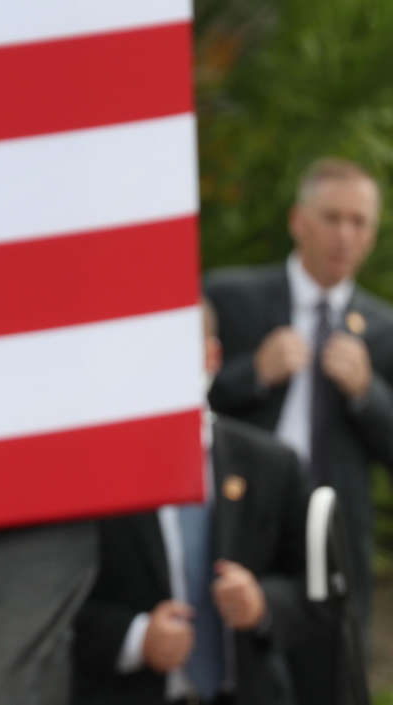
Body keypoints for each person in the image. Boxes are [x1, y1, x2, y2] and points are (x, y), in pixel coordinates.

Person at [205, 157, 393, 702]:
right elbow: (183, 403)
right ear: (298, 221)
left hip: (330, 531)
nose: (344, 235)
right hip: (241, 519)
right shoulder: (232, 300)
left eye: (359, 223)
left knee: (330, 678)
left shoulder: (383, 329)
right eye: (332, 217)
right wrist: (251, 375)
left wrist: (367, 394)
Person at [72, 301, 310, 704]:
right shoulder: (90, 475)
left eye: (176, 351)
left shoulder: (271, 464)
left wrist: (262, 603)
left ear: (211, 356)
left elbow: (316, 591)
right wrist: (135, 638)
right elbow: (57, 609)